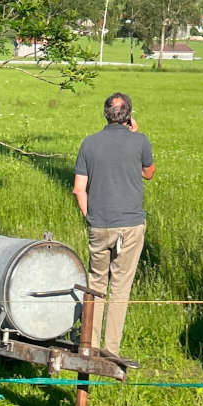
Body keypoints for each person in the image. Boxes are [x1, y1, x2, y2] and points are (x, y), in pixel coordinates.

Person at [72, 91, 155, 358]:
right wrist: (135, 135)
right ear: (128, 116)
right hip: (130, 224)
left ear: (105, 114)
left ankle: (90, 345)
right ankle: (112, 348)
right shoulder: (140, 141)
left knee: (96, 283)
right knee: (121, 285)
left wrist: (90, 216)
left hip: (99, 225)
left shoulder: (88, 143)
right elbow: (149, 173)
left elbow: (78, 189)